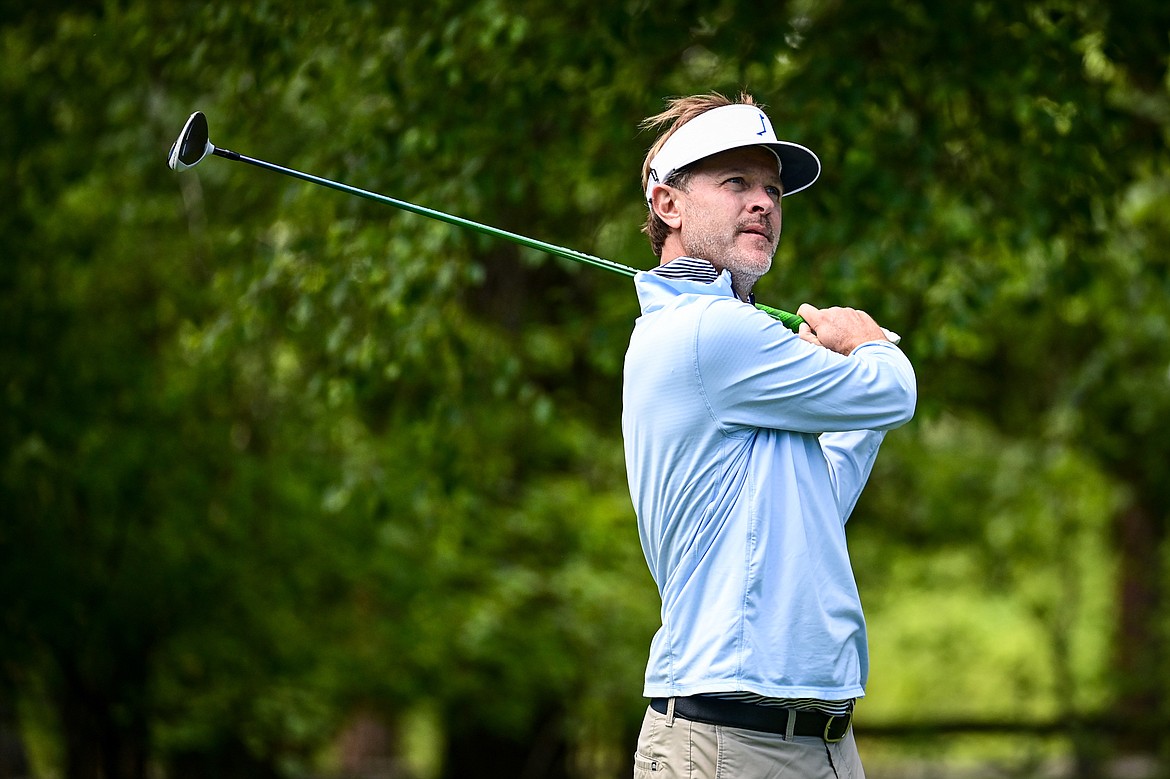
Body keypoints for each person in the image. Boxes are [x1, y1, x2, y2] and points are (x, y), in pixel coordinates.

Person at [623, 92, 917, 778]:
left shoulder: (737, 346)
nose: (763, 203)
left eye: (773, 189)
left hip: (821, 741)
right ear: (668, 204)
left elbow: (816, 503)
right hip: (727, 742)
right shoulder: (710, 330)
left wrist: (847, 374)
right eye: (736, 183)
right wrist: (869, 346)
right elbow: (893, 391)